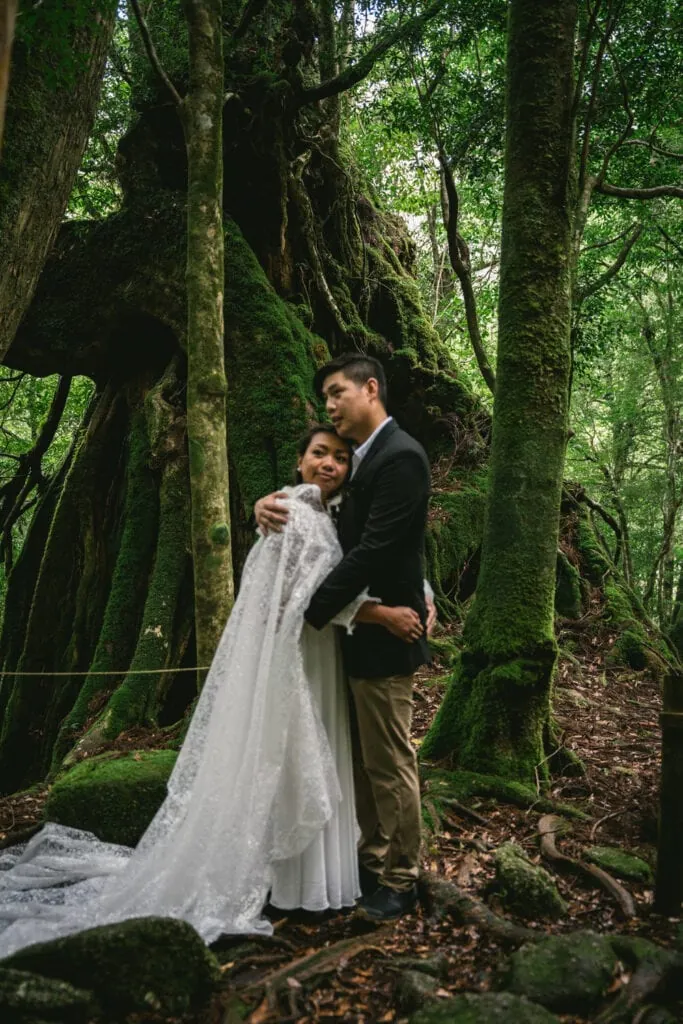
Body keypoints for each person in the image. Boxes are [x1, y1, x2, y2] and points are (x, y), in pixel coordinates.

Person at [0, 424, 420, 956]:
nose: (330, 464)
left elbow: (377, 555)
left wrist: (418, 594)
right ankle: (296, 885)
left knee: (314, 752)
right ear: (299, 461)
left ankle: (323, 879)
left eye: (340, 457)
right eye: (319, 453)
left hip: (321, 654)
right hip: (299, 651)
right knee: (292, 756)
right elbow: (306, 595)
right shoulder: (291, 512)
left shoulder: (330, 512)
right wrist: (381, 615)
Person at [256, 353, 433, 922]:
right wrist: (267, 504)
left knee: (388, 763)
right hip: (348, 641)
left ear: (370, 388)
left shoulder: (400, 455)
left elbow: (377, 548)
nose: (329, 405)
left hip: (382, 642)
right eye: (326, 398)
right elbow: (329, 525)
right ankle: (371, 860)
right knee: (358, 763)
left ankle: (402, 878)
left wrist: (310, 610)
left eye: (337, 392)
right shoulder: (359, 460)